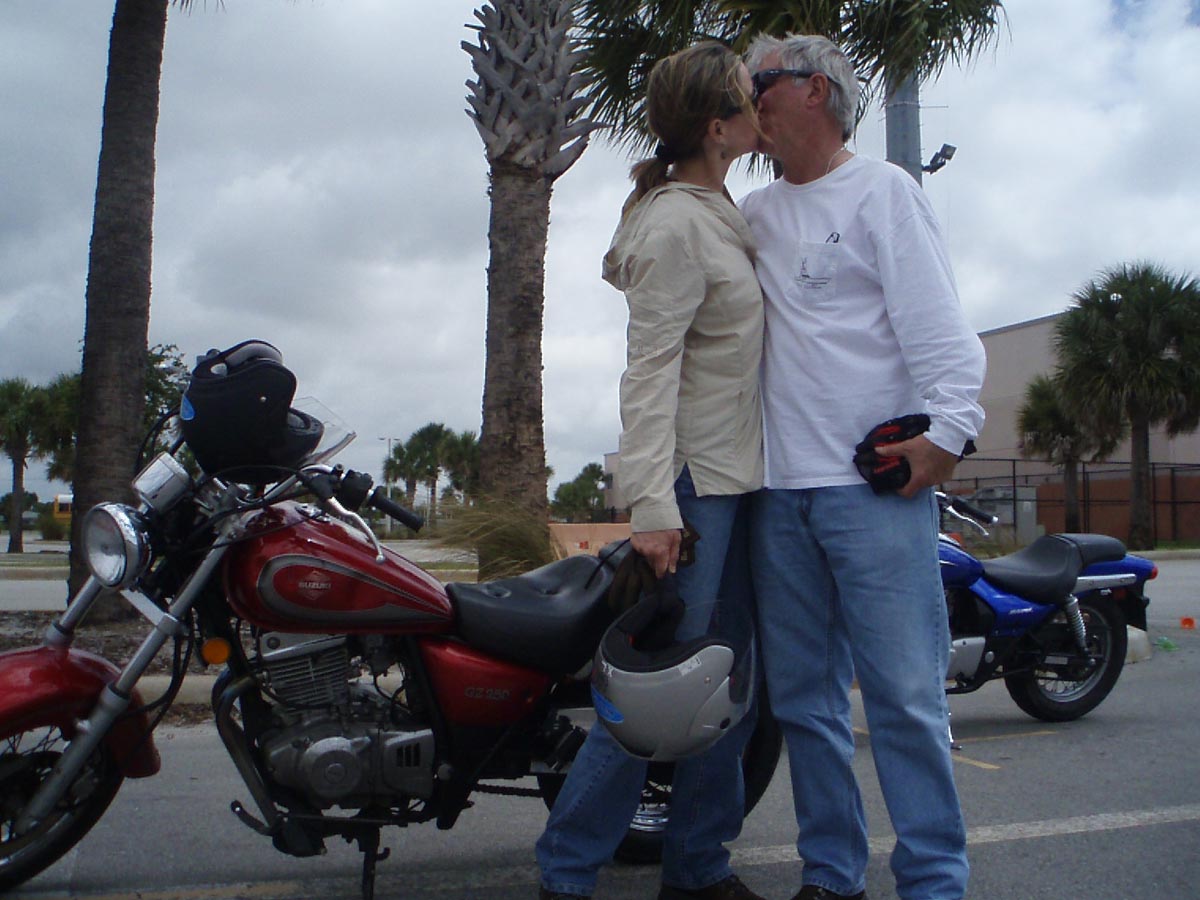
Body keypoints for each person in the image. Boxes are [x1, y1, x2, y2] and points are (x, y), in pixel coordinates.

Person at [738, 33, 987, 900]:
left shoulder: (885, 191)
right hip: (780, 497)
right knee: (804, 705)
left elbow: (941, 333)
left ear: (816, 91)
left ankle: (934, 882)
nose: (750, 99)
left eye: (762, 83)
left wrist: (948, 437)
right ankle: (831, 876)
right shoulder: (754, 214)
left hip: (873, 496)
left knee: (906, 700)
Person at [536, 41, 766, 900]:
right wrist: (652, 507)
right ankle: (566, 875)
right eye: (747, 97)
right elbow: (649, 371)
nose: (760, 105)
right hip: (692, 489)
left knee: (723, 691)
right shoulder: (676, 224)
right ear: (718, 128)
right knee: (659, 699)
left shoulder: (715, 209)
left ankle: (699, 869)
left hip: (734, 486)